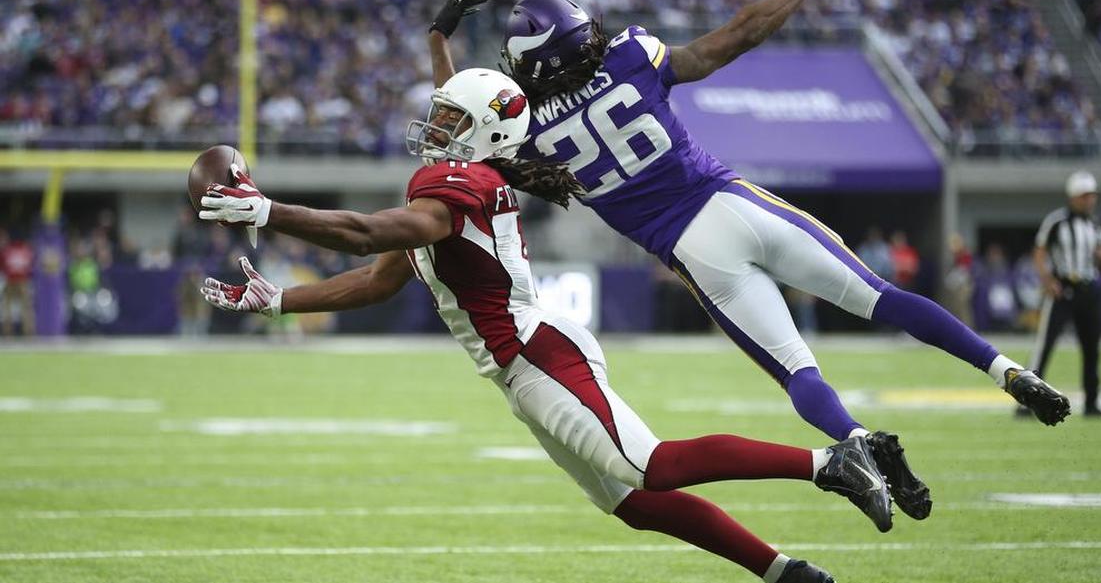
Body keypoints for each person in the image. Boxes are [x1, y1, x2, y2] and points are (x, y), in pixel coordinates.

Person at [428, 0, 1072, 521]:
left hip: (693, 253)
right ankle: (1005, 369)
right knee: (881, 297)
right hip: (734, 206)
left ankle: (858, 444)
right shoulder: (627, 56)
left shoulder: (528, 132)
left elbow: (465, 127)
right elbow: (733, 37)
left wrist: (440, 43)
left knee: (798, 371)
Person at [196, 68, 897, 583]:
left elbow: (361, 234)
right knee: (635, 503)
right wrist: (281, 300)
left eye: (449, 119)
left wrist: (268, 211)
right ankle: (787, 573)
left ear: (485, 134)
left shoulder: (455, 187)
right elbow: (380, 275)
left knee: (652, 464)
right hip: (521, 365)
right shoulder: (455, 183)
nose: (434, 128)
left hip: (538, 354)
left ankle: (829, 462)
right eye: (437, 115)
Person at [1025, 171, 1101, 417]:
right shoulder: (1057, 221)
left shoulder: (1095, 225)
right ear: (1073, 197)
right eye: (1085, 196)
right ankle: (1028, 398)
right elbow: (1039, 252)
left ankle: (1092, 402)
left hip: (1089, 288)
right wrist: (1048, 280)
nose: (1089, 201)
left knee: (1092, 347)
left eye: (1092, 196)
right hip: (1063, 288)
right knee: (1045, 345)